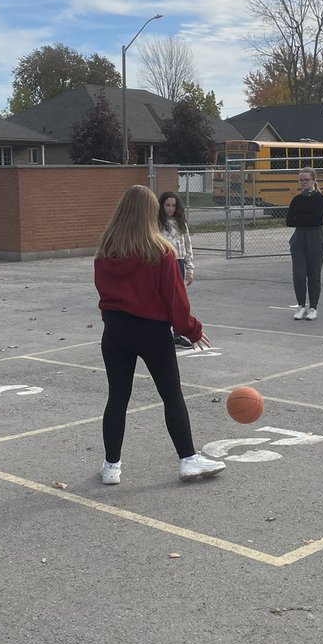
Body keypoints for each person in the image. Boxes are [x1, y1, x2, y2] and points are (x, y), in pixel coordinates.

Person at [94, 185, 226, 484]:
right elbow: (175, 301)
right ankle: (188, 459)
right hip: (151, 331)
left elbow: (102, 292)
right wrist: (192, 330)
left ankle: (111, 467)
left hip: (115, 330)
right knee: (171, 395)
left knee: (117, 398)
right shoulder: (161, 252)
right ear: (150, 212)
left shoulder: (104, 252)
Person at [286, 167, 323, 320]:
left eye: (306, 180)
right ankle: (300, 305)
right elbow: (289, 221)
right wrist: (306, 218)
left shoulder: (320, 197)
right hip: (299, 237)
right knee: (298, 274)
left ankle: (313, 307)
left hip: (316, 237)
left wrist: (301, 217)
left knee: (314, 274)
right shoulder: (297, 199)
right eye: (301, 180)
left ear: (313, 180)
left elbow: (318, 219)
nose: (303, 182)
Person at [158, 191, 195, 348]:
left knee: (178, 299)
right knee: (163, 298)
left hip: (178, 262)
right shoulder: (157, 224)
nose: (170, 209)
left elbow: (187, 246)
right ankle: (162, 333)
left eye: (173, 205)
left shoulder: (181, 223)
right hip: (163, 263)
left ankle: (177, 334)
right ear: (162, 206)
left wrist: (190, 268)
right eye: (167, 205)